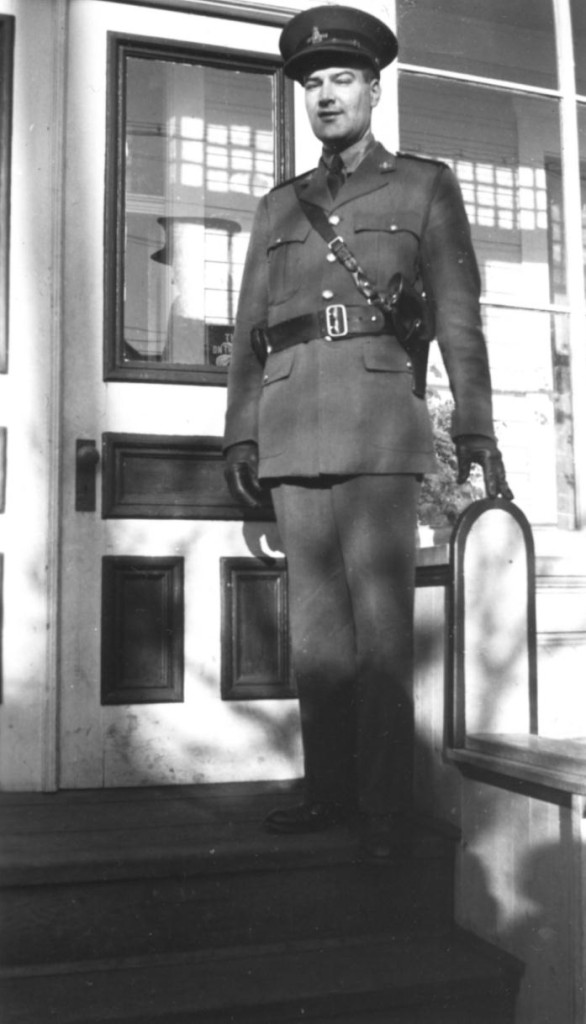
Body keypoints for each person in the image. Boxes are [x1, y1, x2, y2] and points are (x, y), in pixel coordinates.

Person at [223, 5, 512, 859]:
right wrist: (241, 434)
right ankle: (330, 794)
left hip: (381, 426)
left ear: (374, 89)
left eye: (340, 79)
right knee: (315, 639)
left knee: (383, 635)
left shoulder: (424, 186)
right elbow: (247, 334)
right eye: (312, 84)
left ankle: (385, 809)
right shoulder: (279, 207)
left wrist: (478, 429)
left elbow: (460, 320)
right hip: (290, 428)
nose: (324, 95)